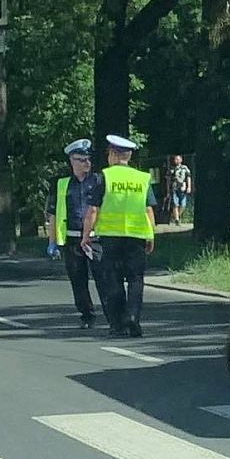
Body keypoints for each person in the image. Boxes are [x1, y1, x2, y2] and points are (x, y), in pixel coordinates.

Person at [81, 135, 156, 338]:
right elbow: (148, 210)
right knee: (135, 279)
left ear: (114, 154)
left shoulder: (103, 177)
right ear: (129, 156)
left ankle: (117, 323)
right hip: (137, 236)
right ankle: (133, 317)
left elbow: (93, 210)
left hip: (110, 237)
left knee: (111, 279)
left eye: (109, 153)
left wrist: (86, 235)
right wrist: (151, 235)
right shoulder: (142, 178)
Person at [46, 138, 110, 329]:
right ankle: (87, 315)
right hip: (72, 239)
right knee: (78, 280)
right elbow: (53, 214)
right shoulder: (61, 184)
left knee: (104, 278)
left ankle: (112, 315)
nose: (87, 163)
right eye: (82, 159)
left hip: (95, 239)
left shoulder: (99, 180)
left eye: (88, 159)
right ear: (72, 161)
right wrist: (52, 242)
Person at [169, 154, 192, 227]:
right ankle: (177, 219)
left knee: (183, 204)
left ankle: (177, 215)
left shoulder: (185, 168)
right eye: (175, 159)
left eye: (178, 159)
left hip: (183, 187)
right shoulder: (171, 169)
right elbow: (168, 179)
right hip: (174, 188)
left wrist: (189, 187)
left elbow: (188, 177)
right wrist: (168, 189)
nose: (176, 160)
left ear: (181, 160)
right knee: (175, 204)